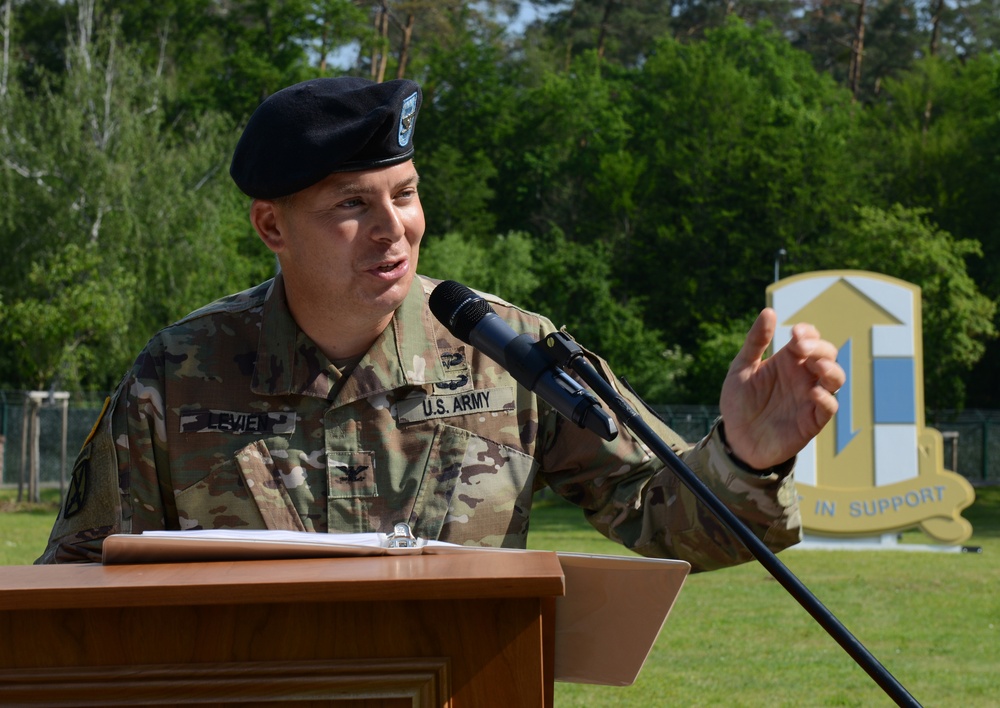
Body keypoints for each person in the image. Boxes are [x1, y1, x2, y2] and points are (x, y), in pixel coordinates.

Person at [36, 77, 844, 568]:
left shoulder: (508, 352)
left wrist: (746, 458)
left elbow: (657, 511)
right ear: (271, 227)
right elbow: (80, 574)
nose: (395, 230)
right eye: (352, 205)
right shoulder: (180, 372)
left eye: (406, 192)